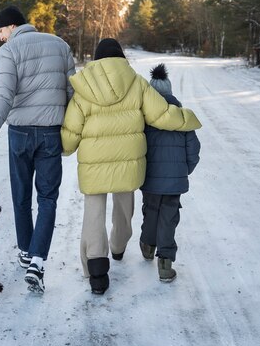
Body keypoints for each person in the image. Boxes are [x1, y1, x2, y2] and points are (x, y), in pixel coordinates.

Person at [61, 38, 202, 295]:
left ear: (96, 59)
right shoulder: (136, 82)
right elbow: (161, 115)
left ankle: (97, 271)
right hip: (128, 163)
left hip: (93, 165)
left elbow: (70, 132)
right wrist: (189, 119)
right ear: (121, 58)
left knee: (93, 213)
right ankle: (118, 247)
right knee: (124, 208)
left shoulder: (83, 87)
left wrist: (65, 147)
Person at [0, 5, 75, 293]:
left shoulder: (9, 51)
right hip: (51, 133)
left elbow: (4, 94)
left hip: (20, 134)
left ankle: (26, 252)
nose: (1, 38)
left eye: (1, 31)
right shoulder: (60, 45)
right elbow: (71, 93)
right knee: (48, 198)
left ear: (12, 26)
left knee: (21, 195)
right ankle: (37, 260)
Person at [139, 63, 200, 283]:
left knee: (151, 210)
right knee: (169, 216)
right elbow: (193, 151)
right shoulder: (183, 118)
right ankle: (165, 264)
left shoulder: (144, 118)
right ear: (171, 91)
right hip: (174, 182)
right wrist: (182, 171)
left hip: (150, 179)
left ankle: (147, 246)